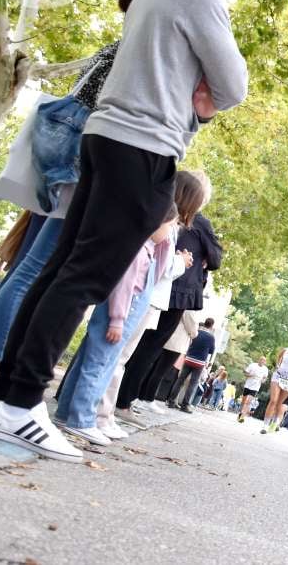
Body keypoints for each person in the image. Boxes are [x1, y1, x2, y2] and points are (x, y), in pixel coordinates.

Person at [0, 0, 248, 461]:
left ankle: (6, 393)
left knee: (60, 267)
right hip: (144, 147)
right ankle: (21, 403)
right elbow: (234, 85)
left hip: (103, 138)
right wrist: (201, 100)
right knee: (84, 278)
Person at [0, 0, 147, 419]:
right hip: (79, 166)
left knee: (27, 269)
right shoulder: (133, 51)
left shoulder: (112, 46)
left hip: (58, 160)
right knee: (35, 271)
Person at [52, 206, 176, 444]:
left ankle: (66, 412)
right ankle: (81, 418)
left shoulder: (149, 249)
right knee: (98, 365)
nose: (171, 233)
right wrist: (118, 320)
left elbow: (158, 271)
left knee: (91, 362)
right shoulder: (139, 253)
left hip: (119, 316)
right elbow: (123, 289)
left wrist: (166, 243)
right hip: (117, 317)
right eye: (170, 226)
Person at [102, 171, 203, 433]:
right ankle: (100, 414)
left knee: (116, 356)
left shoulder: (167, 225)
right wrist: (182, 261)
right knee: (117, 357)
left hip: (148, 299)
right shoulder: (165, 225)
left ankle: (98, 412)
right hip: (144, 298)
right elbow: (160, 268)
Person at [169, 318, 217, 412]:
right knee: (193, 383)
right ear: (211, 325)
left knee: (180, 380)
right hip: (199, 363)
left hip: (188, 359)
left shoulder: (196, 332)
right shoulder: (211, 337)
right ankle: (184, 405)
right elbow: (211, 350)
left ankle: (171, 401)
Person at [239, 356, 268, 423]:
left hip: (255, 388)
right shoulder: (252, 365)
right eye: (261, 360)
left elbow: (264, 378)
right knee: (243, 401)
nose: (262, 362)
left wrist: (263, 380)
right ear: (259, 360)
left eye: (264, 361)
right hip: (248, 385)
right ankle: (240, 413)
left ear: (265, 362)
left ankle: (243, 416)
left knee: (248, 402)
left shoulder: (265, 369)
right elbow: (245, 373)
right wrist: (251, 375)